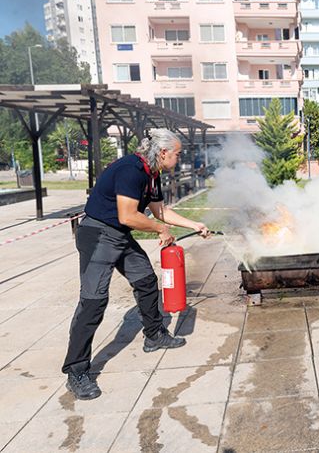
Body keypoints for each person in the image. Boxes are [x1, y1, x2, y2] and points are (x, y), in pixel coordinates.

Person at [62, 129, 210, 400]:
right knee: (93, 301)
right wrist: (159, 230)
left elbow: (159, 211)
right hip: (98, 235)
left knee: (145, 280)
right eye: (177, 154)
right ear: (163, 152)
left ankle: (154, 335)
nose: (179, 158)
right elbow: (128, 215)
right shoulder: (131, 170)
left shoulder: (152, 174)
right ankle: (76, 371)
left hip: (119, 235)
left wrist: (194, 224)